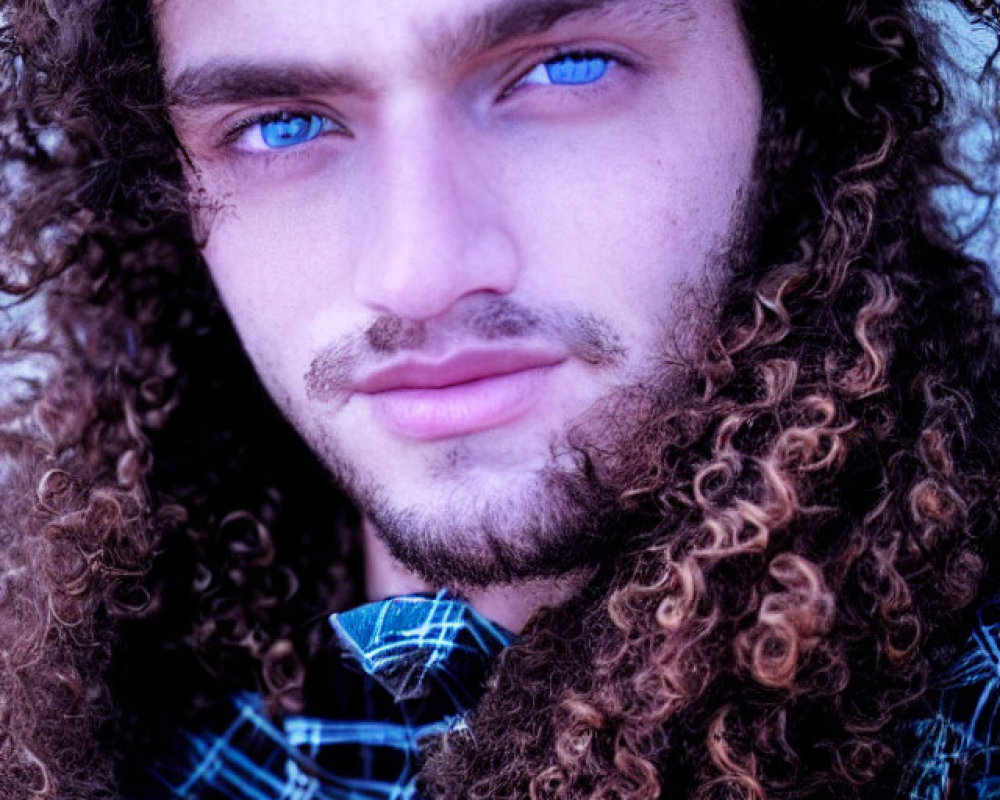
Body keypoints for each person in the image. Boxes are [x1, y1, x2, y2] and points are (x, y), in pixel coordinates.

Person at [0, 0, 999, 798]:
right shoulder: (94, 715)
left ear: (792, 98)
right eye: (282, 125)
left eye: (564, 68)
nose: (417, 271)